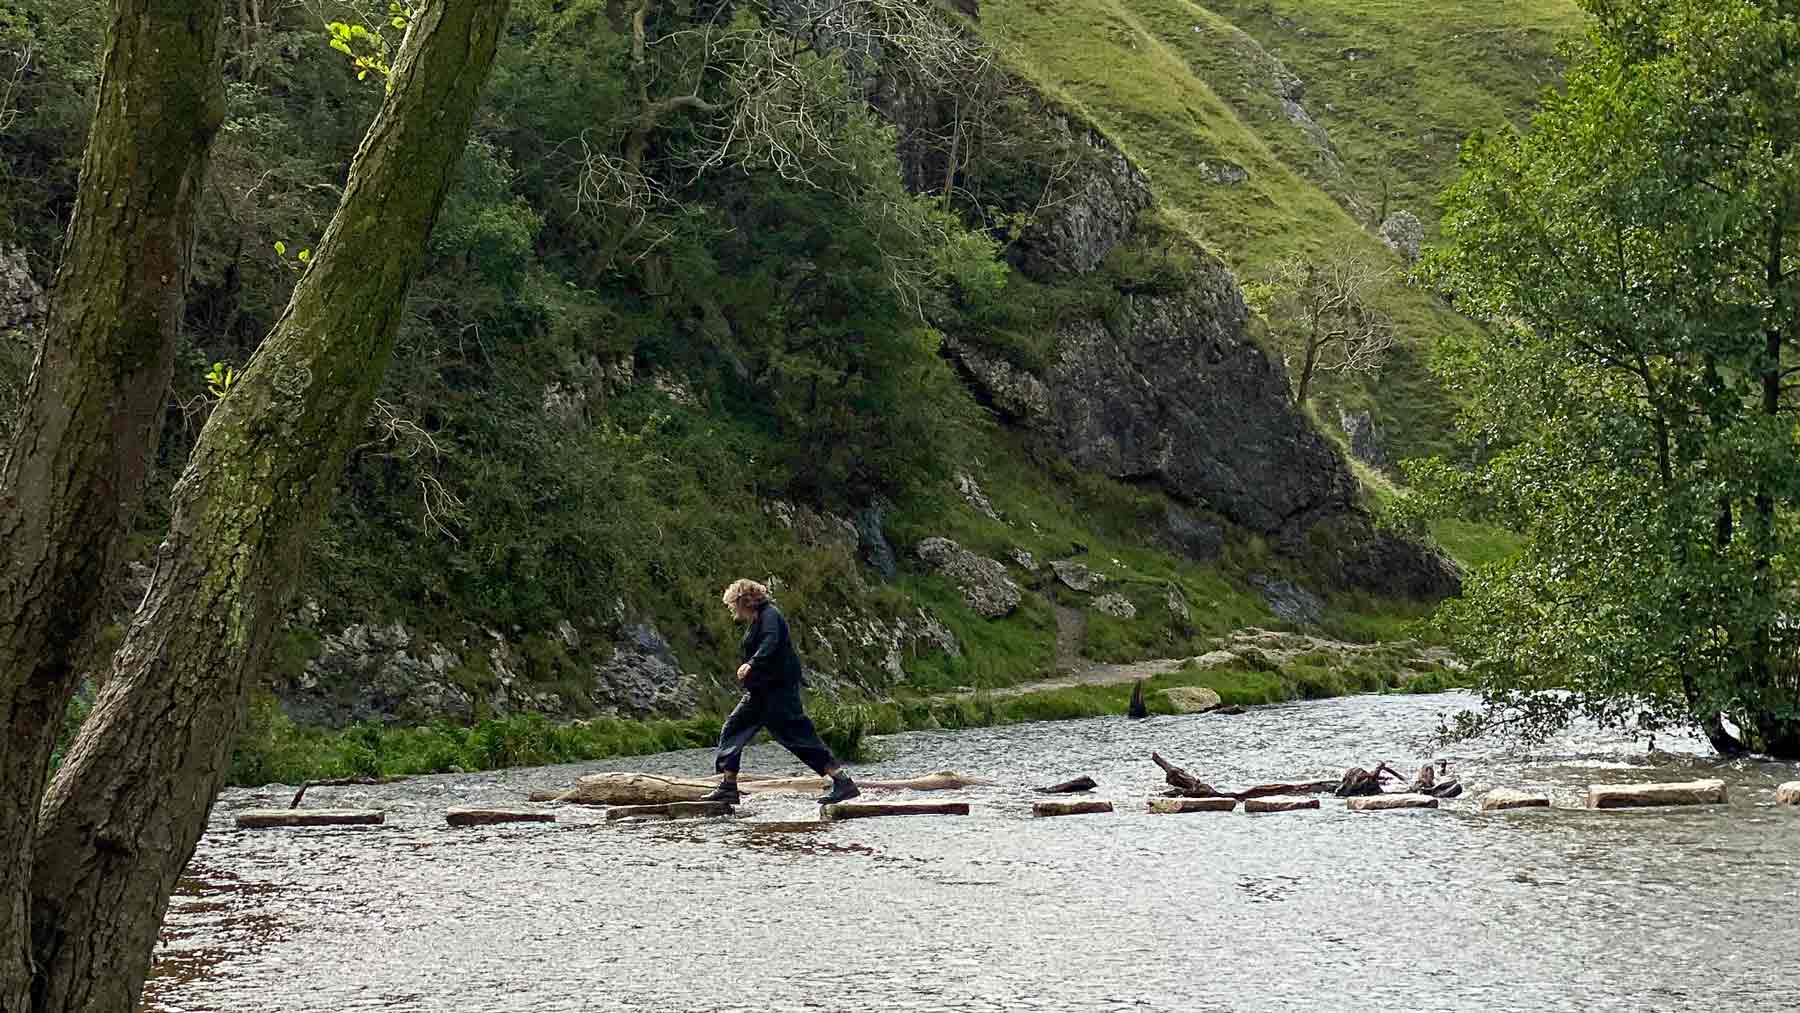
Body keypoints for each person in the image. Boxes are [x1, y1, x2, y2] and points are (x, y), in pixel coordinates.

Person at [701, 579, 860, 805]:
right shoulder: (757, 620)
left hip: (778, 693)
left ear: (744, 601)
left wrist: (752, 663)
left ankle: (843, 782)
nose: (730, 608)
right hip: (759, 693)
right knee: (733, 729)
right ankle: (728, 786)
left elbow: (771, 641)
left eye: (732, 604)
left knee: (799, 737)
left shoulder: (770, 616)